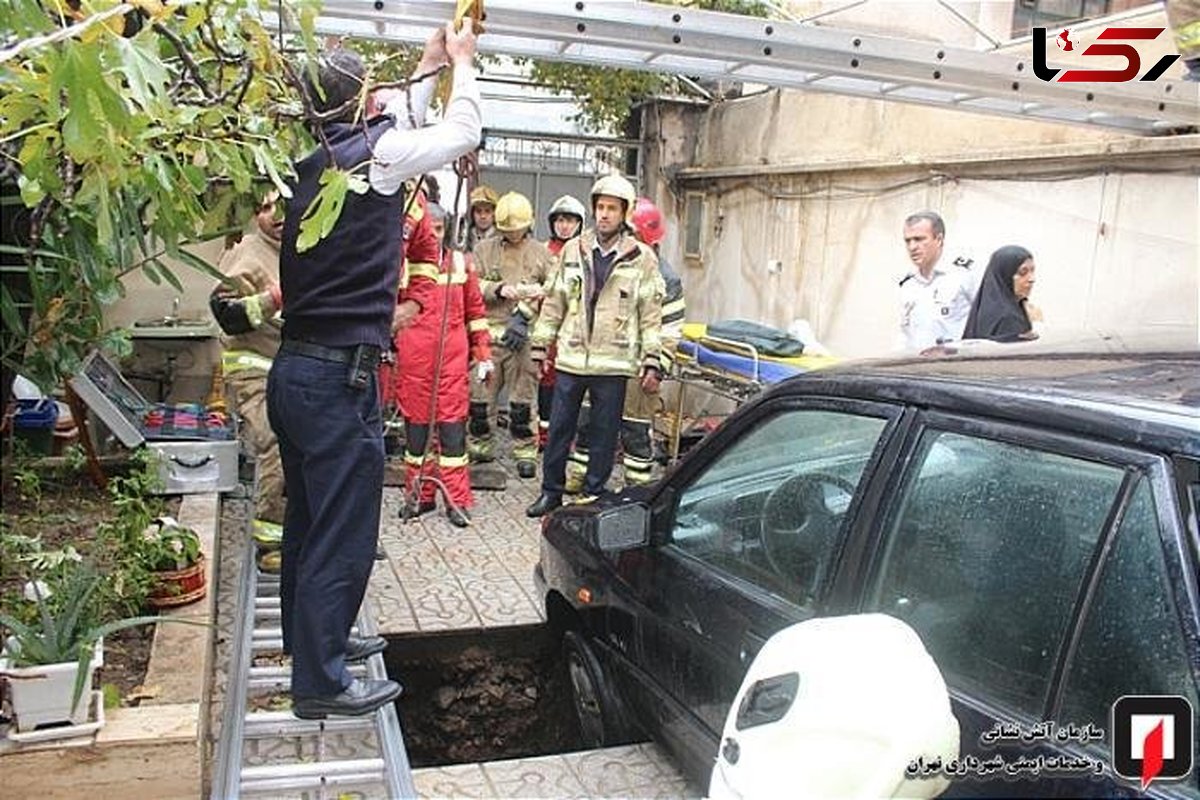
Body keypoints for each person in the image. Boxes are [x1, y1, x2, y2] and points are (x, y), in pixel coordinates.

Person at [266, 26, 481, 721]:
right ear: (359, 103)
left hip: (297, 374)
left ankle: (314, 649)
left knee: (309, 522)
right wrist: (465, 66)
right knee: (342, 531)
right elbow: (459, 133)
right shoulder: (376, 156)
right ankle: (321, 683)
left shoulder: (314, 161)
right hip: (336, 383)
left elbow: (401, 127)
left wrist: (427, 64)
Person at [526, 174, 665, 518]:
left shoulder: (642, 258)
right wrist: (541, 346)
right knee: (559, 428)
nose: (604, 215)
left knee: (604, 434)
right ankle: (551, 492)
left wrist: (653, 359)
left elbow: (650, 314)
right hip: (572, 358)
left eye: (612, 209)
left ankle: (593, 495)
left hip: (613, 361)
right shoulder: (575, 250)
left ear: (624, 213)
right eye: (600, 208)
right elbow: (555, 301)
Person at [566, 196, 684, 489]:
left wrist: (658, 367)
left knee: (635, 428)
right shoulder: (610, 261)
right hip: (606, 359)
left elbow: (670, 328)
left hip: (639, 364)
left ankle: (636, 488)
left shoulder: (664, 276)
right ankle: (579, 477)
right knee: (588, 420)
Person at [395, 202, 492, 527]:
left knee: (452, 438)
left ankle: (456, 501)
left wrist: (483, 354)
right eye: (429, 229)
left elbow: (476, 313)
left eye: (438, 229)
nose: (434, 236)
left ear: (446, 230)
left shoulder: (461, 263)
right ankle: (418, 496)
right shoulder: (404, 267)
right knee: (416, 439)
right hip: (414, 364)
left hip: (451, 365)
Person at [208, 192, 285, 536]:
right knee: (276, 440)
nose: (276, 215)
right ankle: (271, 536)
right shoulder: (246, 251)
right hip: (254, 368)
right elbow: (226, 314)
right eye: (266, 208)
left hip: (290, 367)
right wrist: (273, 299)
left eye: (282, 205)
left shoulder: (303, 247)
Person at [467, 190, 552, 479]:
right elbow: (471, 286)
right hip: (488, 341)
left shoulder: (541, 254)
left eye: (517, 231)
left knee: (522, 401)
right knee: (480, 399)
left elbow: (553, 294)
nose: (512, 236)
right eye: (507, 231)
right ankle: (479, 447)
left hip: (522, 341)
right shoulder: (484, 251)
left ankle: (525, 452)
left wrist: (525, 315)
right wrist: (498, 289)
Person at [536, 195, 587, 451]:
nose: (564, 226)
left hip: (574, 331)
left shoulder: (585, 253)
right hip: (547, 328)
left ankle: (568, 439)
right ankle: (544, 437)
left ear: (579, 223)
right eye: (560, 220)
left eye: (570, 220)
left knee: (570, 388)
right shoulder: (542, 252)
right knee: (545, 386)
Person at [898, 211, 977, 352]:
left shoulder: (963, 275)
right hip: (917, 368)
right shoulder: (908, 284)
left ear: (939, 239)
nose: (912, 247)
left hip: (956, 366)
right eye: (908, 241)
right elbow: (905, 334)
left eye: (919, 239)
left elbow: (983, 324)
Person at [962, 245, 1040, 343]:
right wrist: (1037, 324)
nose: (1031, 279)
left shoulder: (986, 307)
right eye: (1023, 272)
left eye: (1032, 271)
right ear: (1005, 276)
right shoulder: (1008, 318)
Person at [466, 184, 499, 251]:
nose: (483, 216)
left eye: (487, 211)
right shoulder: (465, 237)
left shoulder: (502, 239)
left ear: (494, 213)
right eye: (478, 211)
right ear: (472, 213)